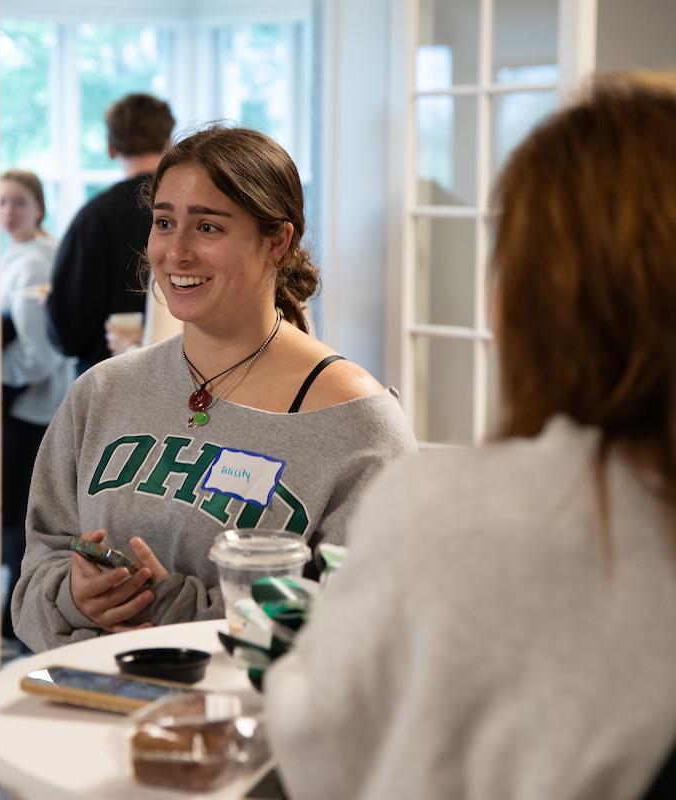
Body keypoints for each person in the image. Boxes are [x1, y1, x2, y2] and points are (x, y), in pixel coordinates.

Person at [263, 73, 676, 799]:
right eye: (165, 222)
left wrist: (295, 663)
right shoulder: (111, 390)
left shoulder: (452, 507)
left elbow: (327, 749)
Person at [12, 125, 417, 653]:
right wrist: (74, 595)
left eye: (208, 227)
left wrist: (174, 606)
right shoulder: (102, 393)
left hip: (253, 728)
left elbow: (374, 628)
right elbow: (36, 575)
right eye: (164, 223)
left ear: (277, 240)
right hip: (95, 716)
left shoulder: (357, 424)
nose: (176, 252)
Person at [47, 93, 175, 374]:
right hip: (185, 373)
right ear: (168, 143)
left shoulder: (94, 217)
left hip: (105, 377)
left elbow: (70, 331)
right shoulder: (196, 213)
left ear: (111, 148)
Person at [0, 170, 73, 652]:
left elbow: (38, 352)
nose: (9, 211)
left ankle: (18, 615)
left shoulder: (35, 265)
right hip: (22, 404)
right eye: (2, 202)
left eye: (19, 202)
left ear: (39, 207)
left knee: (21, 513)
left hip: (31, 409)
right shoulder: (16, 257)